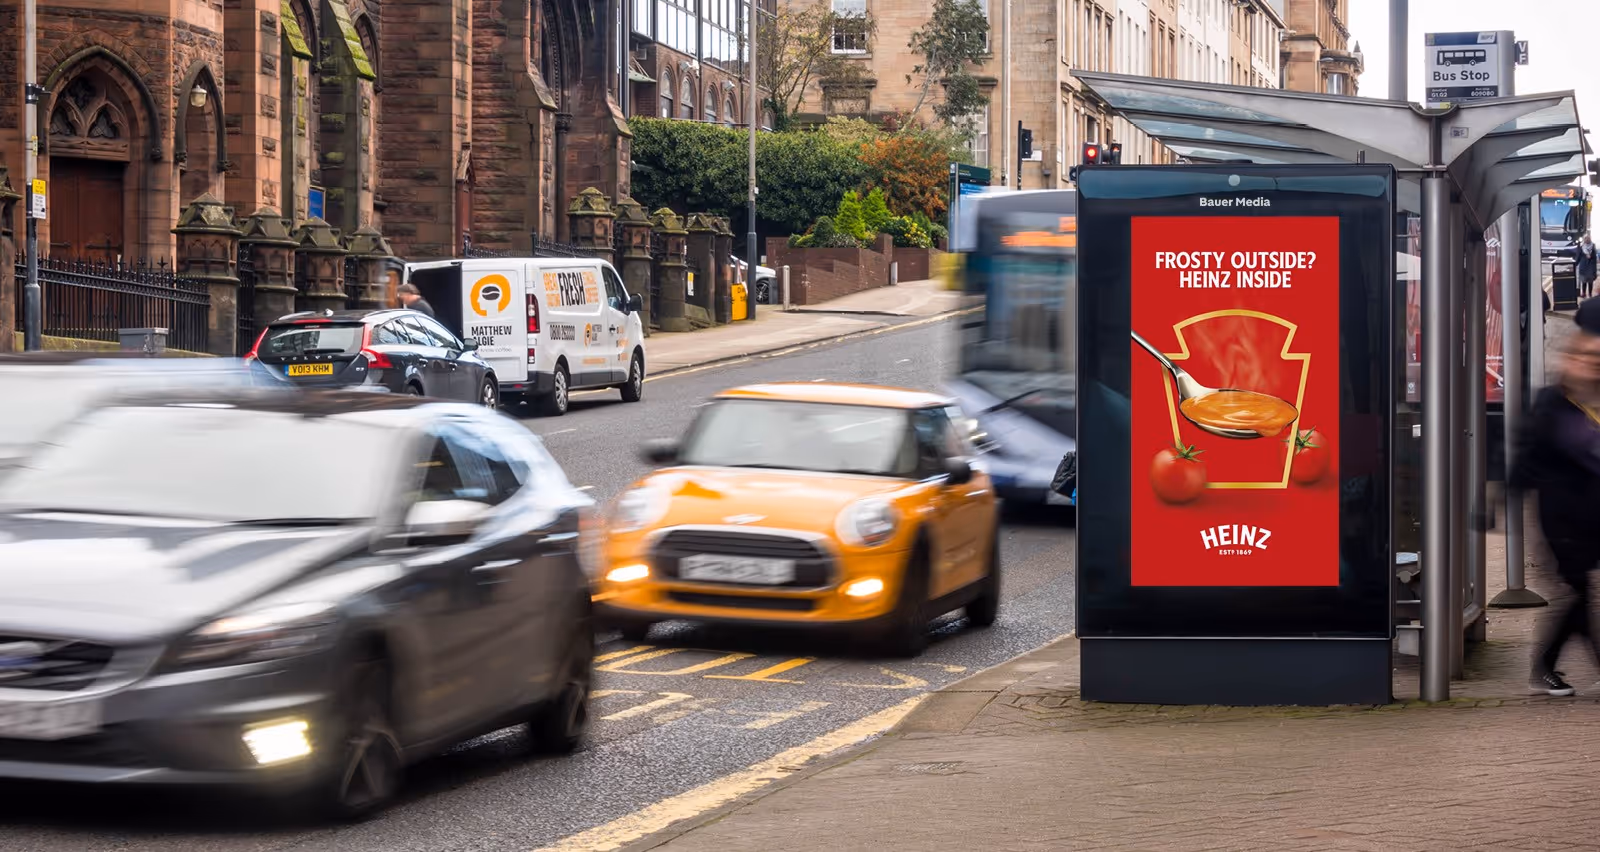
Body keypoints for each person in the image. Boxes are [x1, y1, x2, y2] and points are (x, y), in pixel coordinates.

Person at [1510, 298, 1600, 696]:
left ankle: (1545, 667)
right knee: (1578, 592)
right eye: (1586, 356)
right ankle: (1545, 666)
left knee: (1580, 593)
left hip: (1593, 515)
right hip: (1561, 518)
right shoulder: (1554, 402)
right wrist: (1494, 505)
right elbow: (1527, 456)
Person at [1578, 233, 1597, 299]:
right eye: (1585, 238)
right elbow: (1578, 256)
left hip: (1590, 266)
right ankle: (1583, 293)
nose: (1587, 239)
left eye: (1588, 238)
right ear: (1583, 239)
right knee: (1583, 281)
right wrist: (1574, 264)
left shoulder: (1593, 245)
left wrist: (1590, 256)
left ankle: (1590, 294)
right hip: (1583, 266)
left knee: (1590, 282)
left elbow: (1595, 258)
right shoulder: (1581, 246)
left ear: (1590, 239)